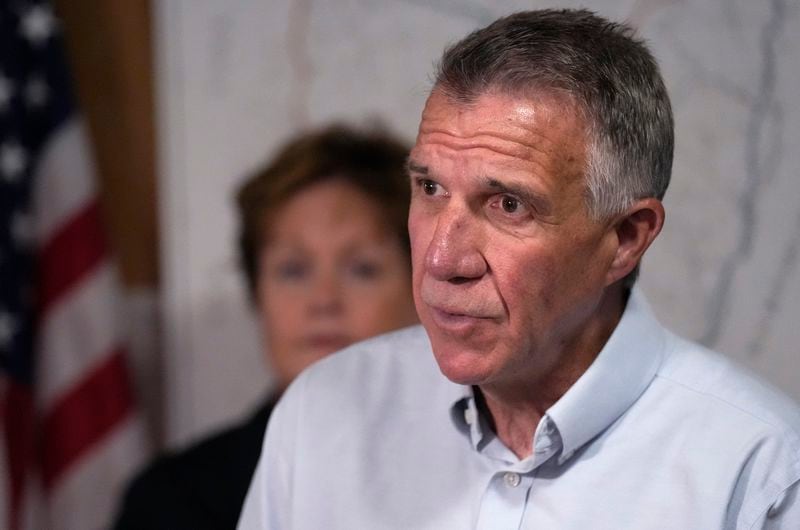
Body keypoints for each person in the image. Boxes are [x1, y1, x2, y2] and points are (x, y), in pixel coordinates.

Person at [238, 9, 800, 529]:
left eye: (508, 204)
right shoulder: (320, 415)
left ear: (626, 238)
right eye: (430, 188)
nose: (441, 259)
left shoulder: (758, 470)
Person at [112, 124, 418, 529]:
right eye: (293, 270)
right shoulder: (174, 499)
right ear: (257, 293)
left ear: (425, 290)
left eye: (362, 269)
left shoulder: (488, 470)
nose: (323, 300)